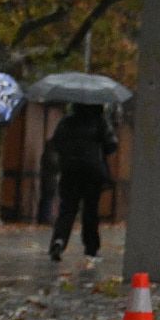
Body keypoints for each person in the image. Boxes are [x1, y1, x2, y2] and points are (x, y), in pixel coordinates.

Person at [48, 102, 117, 262]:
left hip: (70, 170)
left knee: (67, 208)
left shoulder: (66, 121)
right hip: (92, 172)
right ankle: (91, 248)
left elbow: (56, 142)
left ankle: (59, 241)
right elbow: (111, 144)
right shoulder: (100, 121)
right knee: (90, 210)